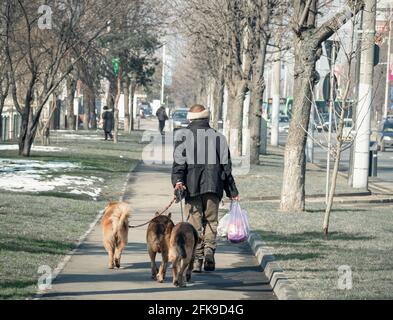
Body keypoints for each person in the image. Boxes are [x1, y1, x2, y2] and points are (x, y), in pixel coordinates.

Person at [171, 104, 240, 273]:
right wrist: (232, 191)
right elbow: (226, 167)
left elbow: (179, 164)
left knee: (194, 224)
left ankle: (196, 259)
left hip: (192, 188)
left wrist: (178, 181)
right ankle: (210, 251)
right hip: (214, 187)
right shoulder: (219, 138)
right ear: (206, 117)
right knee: (211, 221)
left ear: (191, 118)